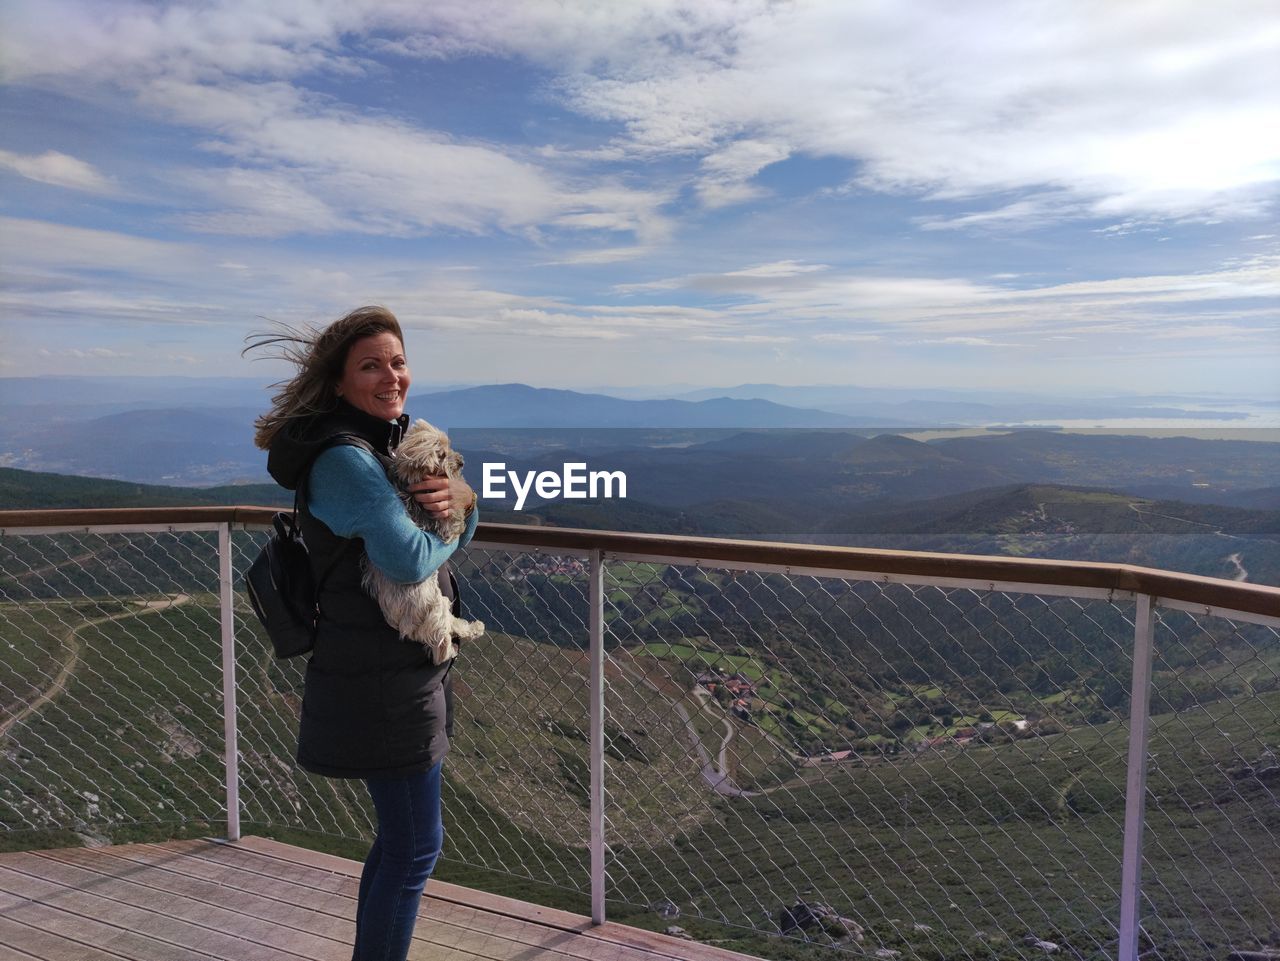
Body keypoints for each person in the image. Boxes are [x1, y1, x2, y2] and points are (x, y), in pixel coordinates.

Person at [247, 305, 478, 961]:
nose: (391, 376)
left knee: (401, 842)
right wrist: (463, 508)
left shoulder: (374, 440)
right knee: (414, 847)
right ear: (340, 380)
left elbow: (429, 536)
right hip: (381, 677)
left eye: (398, 361)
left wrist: (463, 503)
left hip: (390, 667)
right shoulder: (346, 460)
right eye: (371, 365)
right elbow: (409, 557)